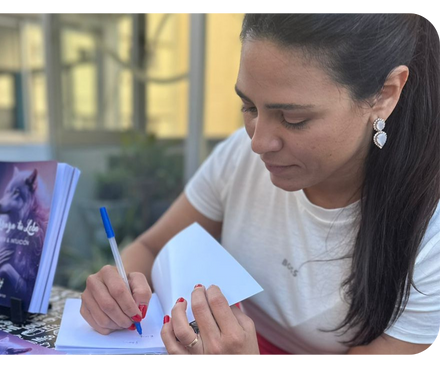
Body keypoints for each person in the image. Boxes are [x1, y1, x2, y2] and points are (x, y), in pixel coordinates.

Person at [80, 10, 440, 357]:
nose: (258, 142)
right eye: (249, 107)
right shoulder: (242, 155)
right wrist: (119, 292)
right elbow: (152, 247)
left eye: (293, 118)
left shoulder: (429, 231)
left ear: (385, 94)